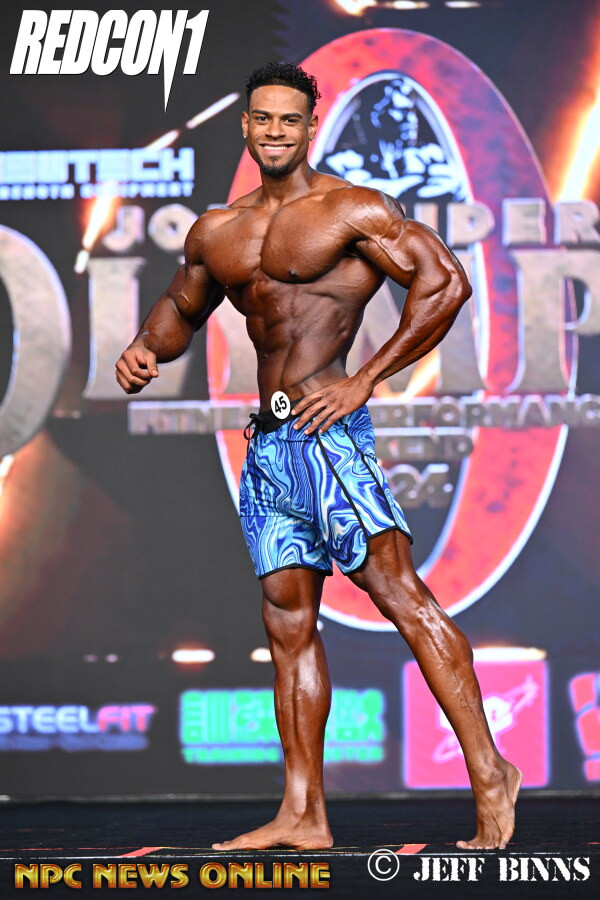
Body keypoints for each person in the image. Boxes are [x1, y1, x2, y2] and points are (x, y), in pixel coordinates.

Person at [116, 62, 521, 851]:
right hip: (268, 448)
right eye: (263, 118)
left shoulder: (350, 209)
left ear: (310, 127)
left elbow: (445, 284)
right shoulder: (218, 230)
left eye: (289, 120)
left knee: (400, 595)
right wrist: (144, 348)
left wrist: (364, 379)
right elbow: (180, 306)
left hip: (328, 434)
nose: (275, 131)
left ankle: (490, 771)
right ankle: (304, 814)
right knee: (287, 622)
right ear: (246, 126)